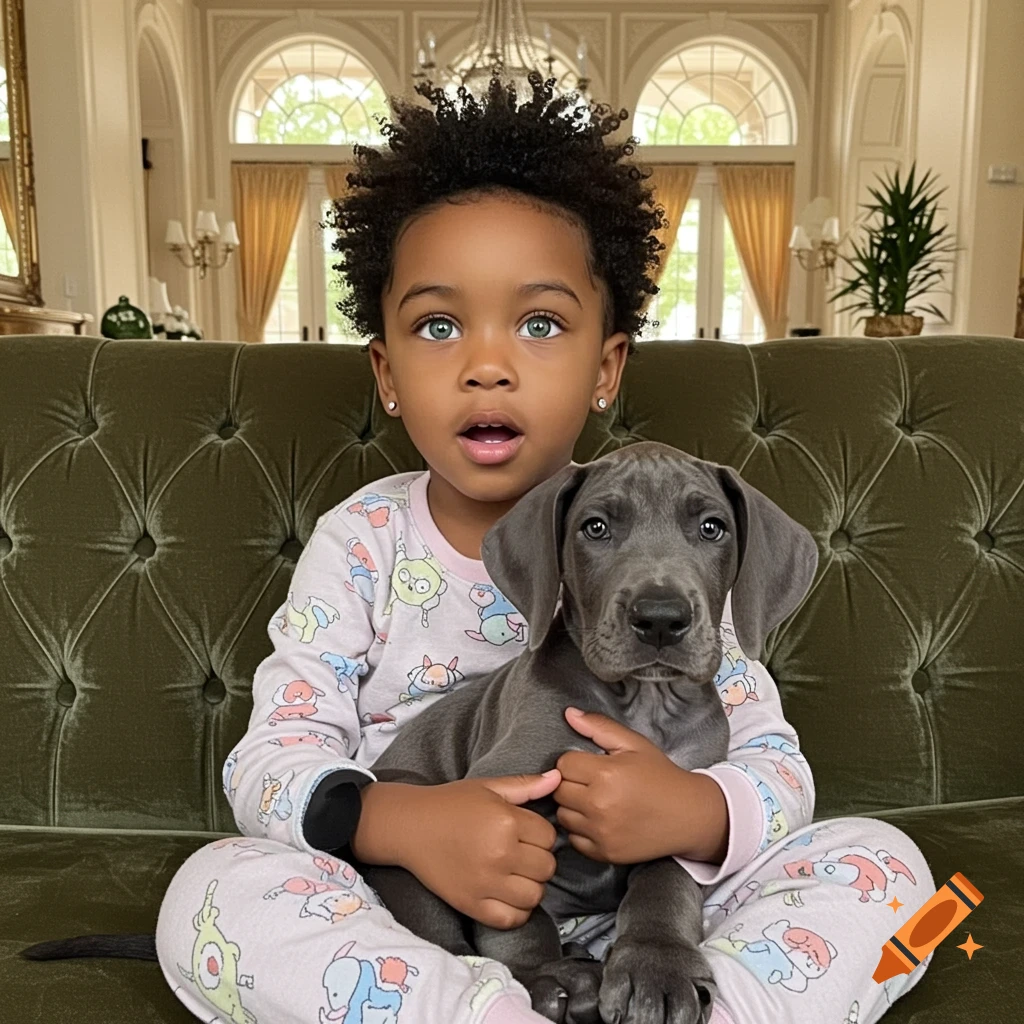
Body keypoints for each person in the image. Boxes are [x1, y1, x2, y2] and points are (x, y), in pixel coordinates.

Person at [155, 72, 935, 1024]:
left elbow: (782, 774)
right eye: (439, 325)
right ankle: (501, 1010)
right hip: (413, 919)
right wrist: (408, 823)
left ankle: (696, 1008)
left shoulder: (696, 601)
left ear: (607, 366)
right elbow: (268, 762)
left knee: (905, 881)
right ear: (388, 375)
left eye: (539, 322)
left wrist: (692, 812)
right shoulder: (361, 542)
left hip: (665, 925)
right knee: (210, 892)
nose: (489, 362)